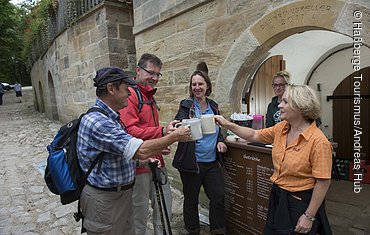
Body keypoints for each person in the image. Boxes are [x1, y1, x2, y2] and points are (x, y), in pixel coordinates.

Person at [77, 66, 191, 235]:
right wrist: (174, 137)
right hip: (105, 201)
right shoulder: (98, 121)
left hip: (120, 196)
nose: (130, 93)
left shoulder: (112, 118)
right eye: (125, 89)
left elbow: (117, 153)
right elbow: (139, 149)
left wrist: (143, 161)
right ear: (111, 89)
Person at [215, 85, 332, 235]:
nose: (279, 105)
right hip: (278, 197)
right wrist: (227, 124)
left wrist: (308, 216)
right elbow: (254, 135)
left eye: (285, 102)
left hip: (300, 203)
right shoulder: (282, 128)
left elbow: (323, 182)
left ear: (300, 106)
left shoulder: (318, 141)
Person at [119, 53, 176, 235]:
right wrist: (162, 132)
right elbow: (130, 132)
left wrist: (160, 145)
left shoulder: (149, 95)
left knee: (164, 206)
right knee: (139, 214)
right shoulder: (130, 95)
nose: (155, 78)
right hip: (140, 167)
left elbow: (146, 130)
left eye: (158, 74)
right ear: (138, 70)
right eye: (151, 73)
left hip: (157, 161)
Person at [173, 62, 227, 235]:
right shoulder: (186, 105)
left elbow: (219, 128)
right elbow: (178, 124)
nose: (197, 87)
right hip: (192, 162)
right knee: (191, 200)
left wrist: (220, 140)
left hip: (211, 162)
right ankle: (193, 230)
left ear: (207, 86)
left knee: (218, 197)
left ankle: (217, 230)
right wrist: (183, 125)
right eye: (194, 84)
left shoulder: (214, 106)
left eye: (200, 84)